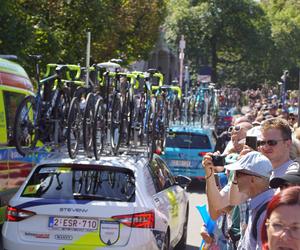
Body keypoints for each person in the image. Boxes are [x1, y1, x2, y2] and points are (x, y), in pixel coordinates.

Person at [225, 151, 274, 249]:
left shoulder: (266, 212)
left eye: (238, 174)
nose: (234, 179)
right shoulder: (258, 204)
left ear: (252, 180)